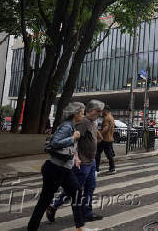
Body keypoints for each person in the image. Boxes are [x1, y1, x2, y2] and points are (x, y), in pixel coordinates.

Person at [27, 102, 86, 231]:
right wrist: (72, 137)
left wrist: (75, 157)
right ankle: (32, 228)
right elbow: (55, 143)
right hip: (55, 169)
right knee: (45, 200)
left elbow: (70, 148)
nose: (83, 115)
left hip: (64, 169)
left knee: (76, 192)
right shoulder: (67, 127)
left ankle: (79, 227)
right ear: (75, 114)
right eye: (82, 112)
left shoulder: (72, 126)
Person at [47, 99, 105, 223]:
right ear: (91, 111)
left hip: (91, 161)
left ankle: (87, 213)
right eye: (98, 111)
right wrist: (76, 158)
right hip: (82, 163)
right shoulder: (82, 123)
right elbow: (75, 141)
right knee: (73, 189)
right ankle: (54, 205)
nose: (100, 114)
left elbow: (95, 137)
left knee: (90, 187)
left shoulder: (92, 122)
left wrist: (98, 137)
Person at [96, 105, 115, 173]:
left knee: (97, 153)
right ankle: (112, 168)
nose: (102, 112)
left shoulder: (107, 118)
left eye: (102, 110)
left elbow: (106, 128)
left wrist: (99, 134)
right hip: (109, 139)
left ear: (105, 110)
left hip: (104, 139)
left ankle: (96, 169)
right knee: (109, 154)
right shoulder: (111, 117)